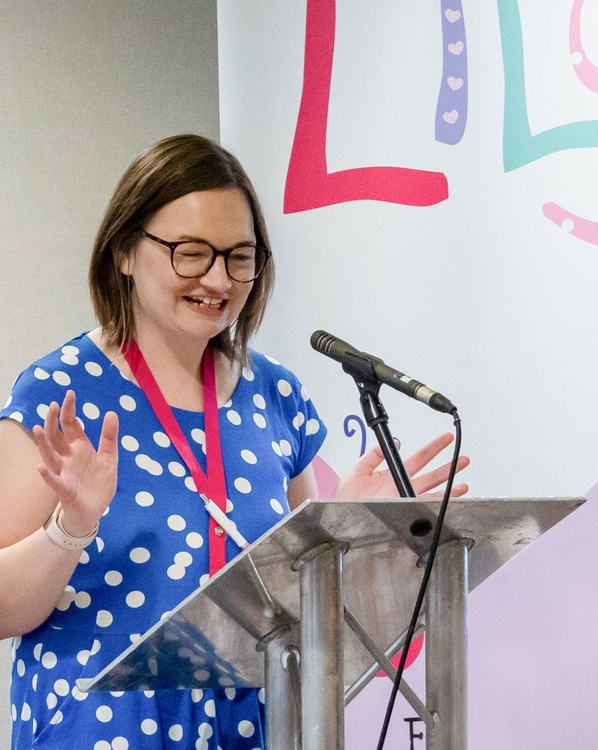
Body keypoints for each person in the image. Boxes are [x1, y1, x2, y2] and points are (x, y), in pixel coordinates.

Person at [0, 134, 468, 749]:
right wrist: (73, 525)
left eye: (239, 257)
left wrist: (342, 529)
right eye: (191, 253)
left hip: (259, 730)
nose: (218, 279)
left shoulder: (275, 395)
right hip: (103, 732)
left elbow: (301, 600)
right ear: (124, 252)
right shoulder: (60, 391)